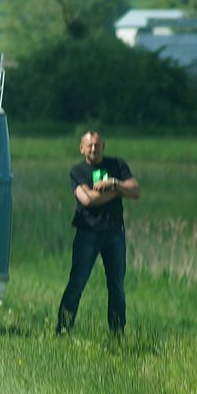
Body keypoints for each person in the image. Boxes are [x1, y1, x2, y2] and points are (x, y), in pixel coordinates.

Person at [57, 130, 140, 335]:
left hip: (114, 233)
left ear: (103, 146)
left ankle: (117, 332)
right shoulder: (77, 171)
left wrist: (113, 183)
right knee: (77, 282)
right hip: (88, 233)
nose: (93, 148)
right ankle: (64, 329)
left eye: (97, 145)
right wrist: (118, 192)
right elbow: (87, 200)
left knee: (117, 287)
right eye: (89, 145)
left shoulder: (117, 165)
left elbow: (136, 191)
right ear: (82, 148)